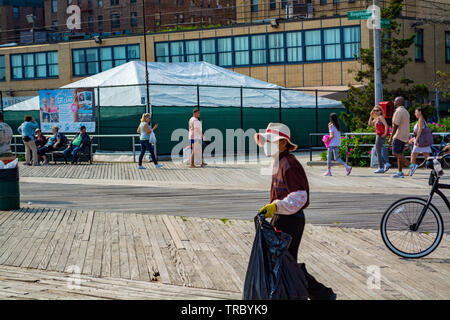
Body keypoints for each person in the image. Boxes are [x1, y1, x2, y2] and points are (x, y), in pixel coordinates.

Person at [255, 123, 336, 300]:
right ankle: (317, 294)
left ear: (284, 143)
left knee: (286, 263)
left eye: (271, 141)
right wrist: (274, 208)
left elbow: (300, 197)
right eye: (267, 140)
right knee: (283, 262)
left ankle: (323, 294)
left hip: (291, 220)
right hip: (281, 216)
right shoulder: (278, 162)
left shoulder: (290, 164)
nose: (267, 144)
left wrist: (275, 206)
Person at [388, 97, 410, 178]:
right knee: (400, 154)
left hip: (398, 135)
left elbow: (395, 125)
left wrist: (391, 137)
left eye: (395, 101)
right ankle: (400, 172)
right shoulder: (405, 111)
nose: (394, 102)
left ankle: (411, 166)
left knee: (395, 153)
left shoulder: (399, 111)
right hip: (404, 135)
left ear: (400, 102)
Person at [407, 108, 431, 176]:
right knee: (427, 157)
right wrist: (414, 139)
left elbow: (419, 131)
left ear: (420, 112)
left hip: (420, 142)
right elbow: (420, 132)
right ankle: (438, 169)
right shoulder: (421, 120)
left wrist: (416, 140)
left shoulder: (421, 120)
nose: (415, 114)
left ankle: (411, 170)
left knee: (413, 155)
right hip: (422, 141)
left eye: (416, 112)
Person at [368, 105, 391, 173]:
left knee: (377, 151)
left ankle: (381, 167)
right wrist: (371, 115)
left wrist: (385, 133)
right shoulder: (377, 118)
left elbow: (386, 125)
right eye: (374, 110)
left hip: (380, 136)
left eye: (377, 110)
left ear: (380, 111)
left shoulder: (381, 117)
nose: (375, 111)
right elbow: (370, 124)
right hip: (378, 135)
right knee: (376, 152)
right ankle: (386, 163)